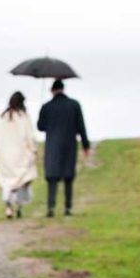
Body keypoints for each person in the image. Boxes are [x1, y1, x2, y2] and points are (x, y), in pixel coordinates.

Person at [37, 78, 89, 217]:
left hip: (52, 146)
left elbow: (40, 126)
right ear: (63, 89)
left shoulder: (47, 107)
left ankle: (51, 207)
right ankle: (68, 207)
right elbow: (81, 127)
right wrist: (86, 145)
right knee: (68, 177)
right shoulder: (74, 105)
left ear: (52, 90)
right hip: (69, 146)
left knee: (52, 178)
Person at [0, 91, 37, 219]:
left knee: (7, 181)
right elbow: (29, 137)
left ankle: (8, 205)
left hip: (5, 156)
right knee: (21, 180)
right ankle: (19, 206)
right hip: (20, 155)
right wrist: (34, 150)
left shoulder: (3, 117)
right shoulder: (23, 117)